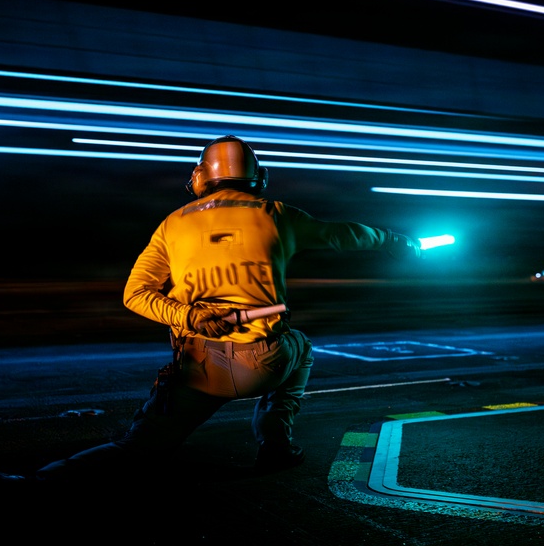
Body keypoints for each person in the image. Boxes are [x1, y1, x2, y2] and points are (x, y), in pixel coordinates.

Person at [36, 135, 420, 482]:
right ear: (258, 176)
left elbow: (135, 294)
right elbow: (345, 235)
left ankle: (36, 482)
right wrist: (395, 240)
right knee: (301, 347)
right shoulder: (277, 215)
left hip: (199, 370)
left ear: (200, 177)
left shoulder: (172, 224)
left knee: (136, 448)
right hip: (266, 362)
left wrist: (188, 315)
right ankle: (276, 448)